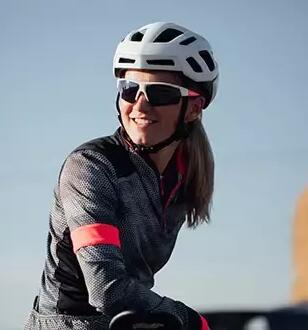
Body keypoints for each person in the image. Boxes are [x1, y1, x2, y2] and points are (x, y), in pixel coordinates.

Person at [24, 22, 219, 330]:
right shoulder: (91, 167)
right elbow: (106, 287)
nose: (140, 105)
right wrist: (191, 320)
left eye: (160, 93)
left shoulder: (183, 179)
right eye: (130, 90)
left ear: (194, 107)